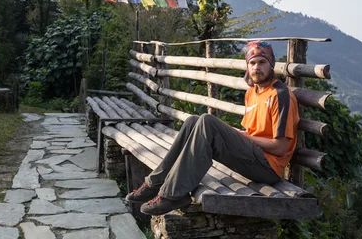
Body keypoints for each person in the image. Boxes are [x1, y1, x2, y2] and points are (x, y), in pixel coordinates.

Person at [126, 41, 300, 216]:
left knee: (207, 121)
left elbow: (280, 147)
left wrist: (242, 137)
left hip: (268, 168)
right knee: (193, 121)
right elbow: (254, 132)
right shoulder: (252, 93)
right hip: (253, 156)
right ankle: (155, 183)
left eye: (262, 62)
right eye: (252, 63)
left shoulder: (280, 95)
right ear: (247, 66)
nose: (257, 68)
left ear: (271, 65)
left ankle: (174, 194)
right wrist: (240, 136)